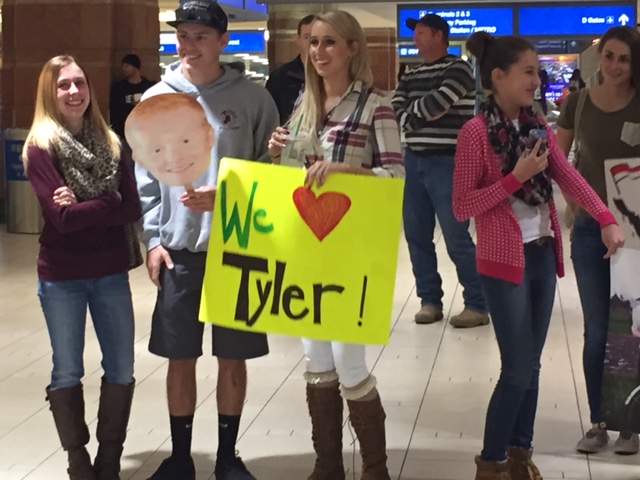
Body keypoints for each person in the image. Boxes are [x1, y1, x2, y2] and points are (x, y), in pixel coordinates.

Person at [456, 32, 624, 480]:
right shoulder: (475, 133)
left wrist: (605, 217)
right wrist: (516, 177)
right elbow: (461, 206)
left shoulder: (537, 127)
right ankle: (490, 462)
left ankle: (519, 455)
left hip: (542, 254)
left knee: (531, 365)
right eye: (528, 72)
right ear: (499, 76)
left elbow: (568, 176)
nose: (537, 80)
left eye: (537, 72)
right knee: (516, 369)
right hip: (502, 261)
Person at [134, 1, 279, 479]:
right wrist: (152, 240)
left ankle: (226, 457)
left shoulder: (253, 99)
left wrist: (229, 195)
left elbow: (272, 172)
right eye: (183, 36)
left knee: (233, 356)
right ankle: (180, 457)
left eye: (200, 36)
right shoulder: (156, 98)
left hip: (236, 246)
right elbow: (145, 178)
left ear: (222, 41)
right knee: (180, 356)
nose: (190, 46)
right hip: (179, 250)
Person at [267, 10, 404, 480]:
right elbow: (292, 180)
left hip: (353, 249)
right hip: (308, 246)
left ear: (351, 48)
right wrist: (277, 153)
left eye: (329, 42)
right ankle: (327, 465)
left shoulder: (375, 106)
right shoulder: (303, 104)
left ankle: (375, 468)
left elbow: (395, 177)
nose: (319, 52)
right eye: (313, 43)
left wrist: (350, 172)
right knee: (317, 361)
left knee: (349, 362)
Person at [23, 55, 141, 480]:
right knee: (67, 369)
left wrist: (88, 204)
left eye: (80, 83)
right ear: (49, 93)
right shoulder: (40, 147)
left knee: (122, 366)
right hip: (62, 275)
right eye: (63, 85)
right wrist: (108, 200)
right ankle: (78, 460)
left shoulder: (111, 143)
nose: (74, 92)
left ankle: (109, 459)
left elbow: (131, 207)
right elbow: (63, 221)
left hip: (111, 271)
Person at [556, 26, 640, 456]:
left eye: (624, 59)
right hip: (590, 229)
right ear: (599, 57)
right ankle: (599, 422)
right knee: (597, 331)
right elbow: (558, 161)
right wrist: (575, 203)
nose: (615, 66)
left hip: (635, 233)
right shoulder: (579, 102)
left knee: (628, 328)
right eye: (609, 56)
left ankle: (630, 425)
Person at [392, 14, 489, 328]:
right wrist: (412, 114)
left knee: (456, 237)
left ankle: (478, 303)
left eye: (421, 33)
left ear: (438, 35)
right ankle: (429, 301)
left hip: (449, 163)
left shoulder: (458, 69)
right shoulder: (412, 73)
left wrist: (410, 115)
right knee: (416, 236)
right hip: (413, 160)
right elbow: (396, 106)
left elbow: (438, 105)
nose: (415, 39)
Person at [265, 14, 316, 125]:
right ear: (298, 39)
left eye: (316, 38)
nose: (312, 43)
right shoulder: (280, 77)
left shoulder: (334, 75)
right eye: (307, 37)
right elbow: (269, 117)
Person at [109, 54, 156, 139]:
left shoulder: (148, 87)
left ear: (135, 67)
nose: (124, 69)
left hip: (145, 131)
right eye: (123, 66)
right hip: (125, 132)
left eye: (127, 66)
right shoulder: (119, 88)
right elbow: (115, 110)